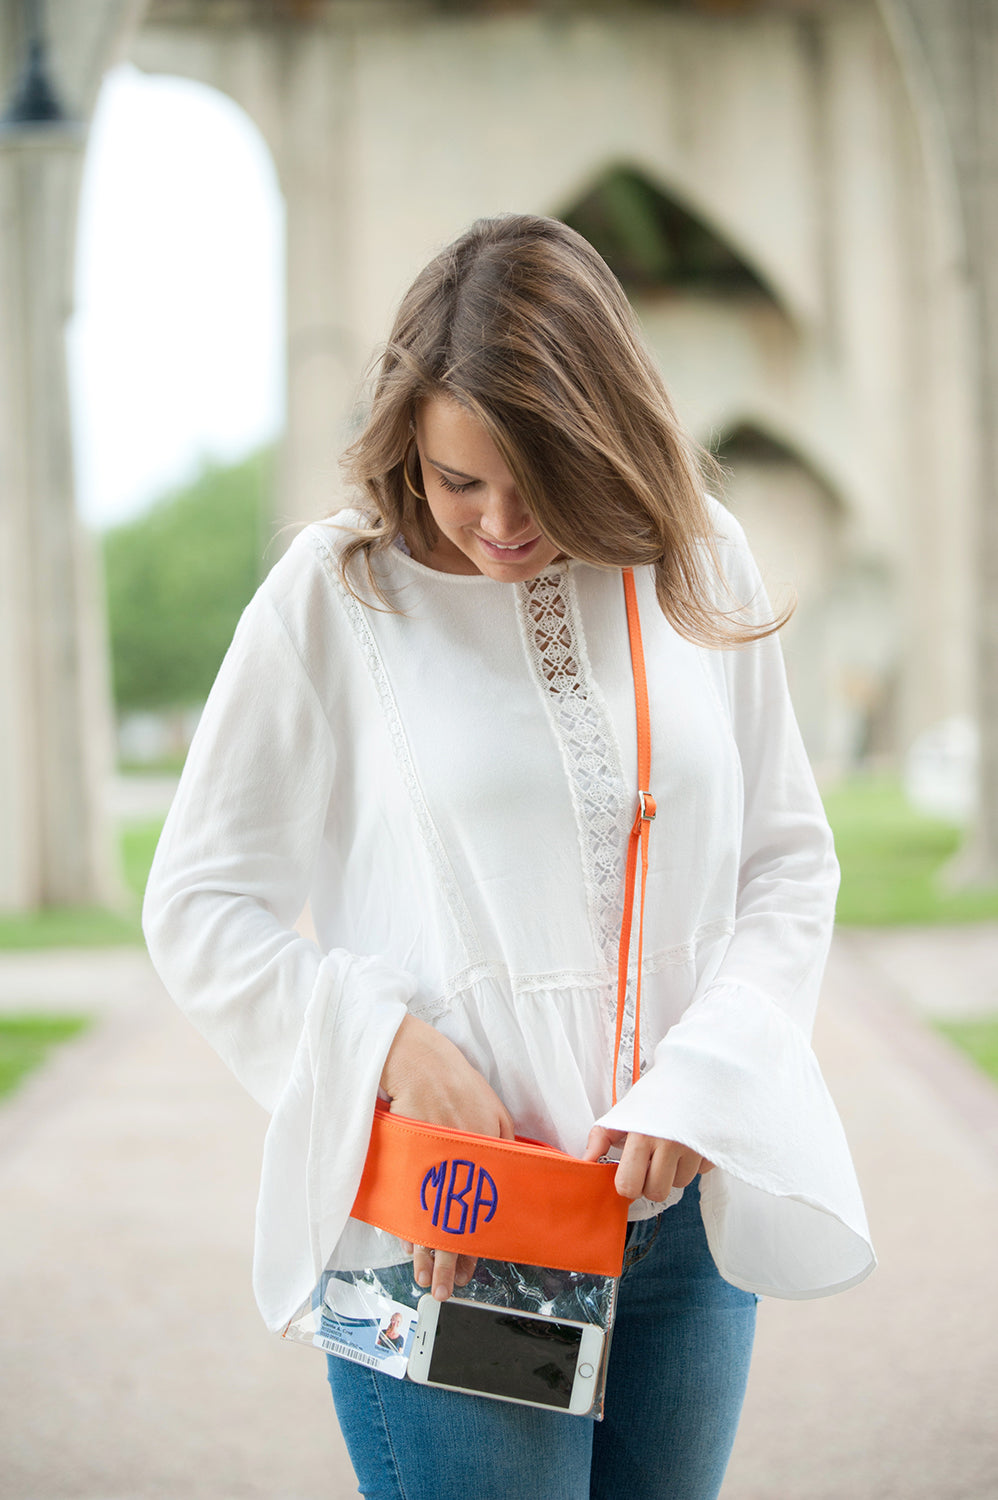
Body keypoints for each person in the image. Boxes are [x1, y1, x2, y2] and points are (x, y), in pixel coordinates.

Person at [143, 214, 875, 1500]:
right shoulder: (337, 596)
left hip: (679, 1235)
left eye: (533, 478)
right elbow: (201, 901)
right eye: (455, 478)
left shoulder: (694, 553)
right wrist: (389, 1049)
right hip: (462, 1232)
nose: (495, 522)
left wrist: (705, 1081)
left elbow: (785, 859)